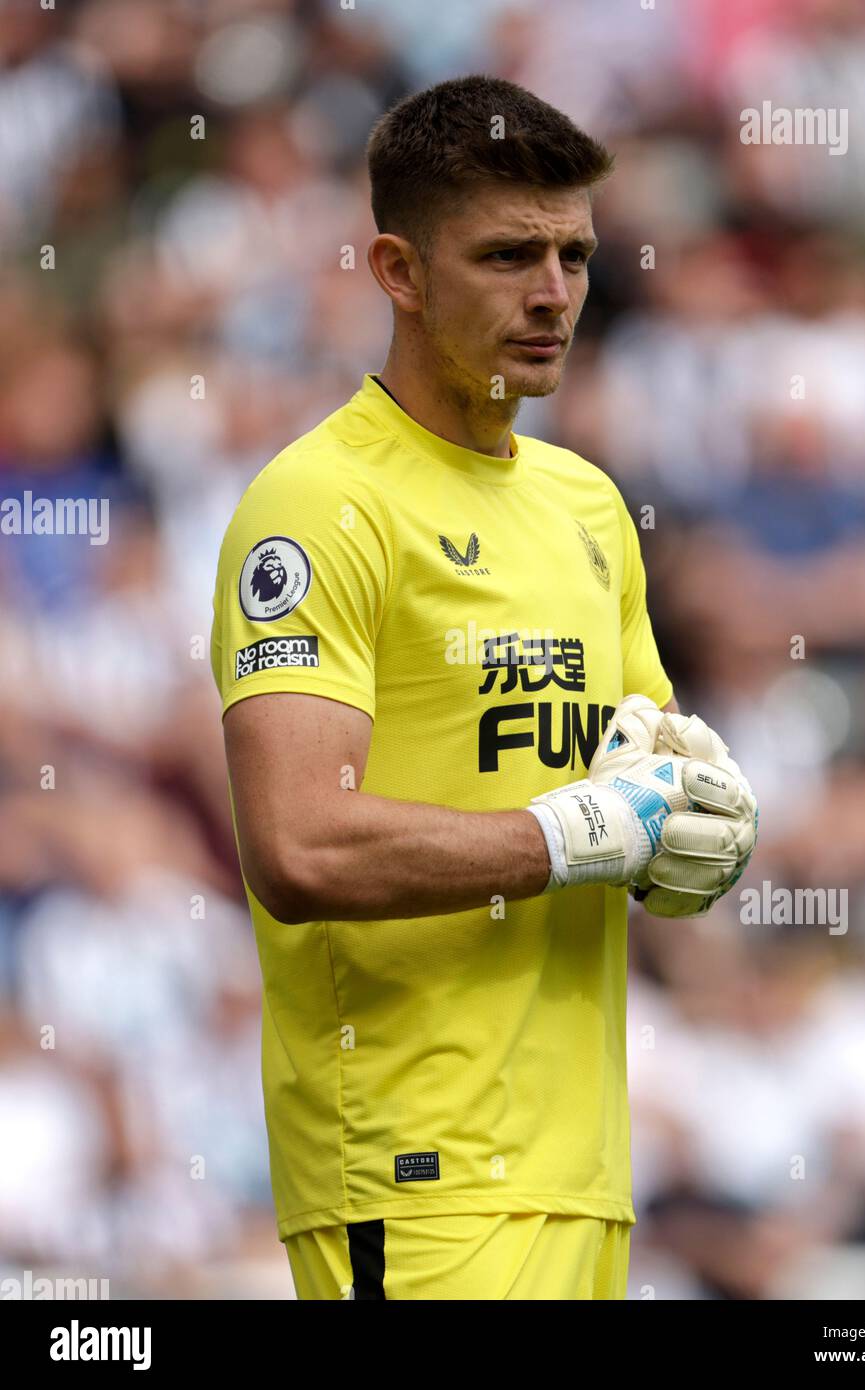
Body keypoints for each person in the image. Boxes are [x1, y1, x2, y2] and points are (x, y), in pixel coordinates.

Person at [210, 74, 757, 1301]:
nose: (554, 293)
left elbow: (645, 795)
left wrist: (698, 838)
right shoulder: (318, 505)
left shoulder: (589, 505)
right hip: (414, 1179)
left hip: (589, 1179)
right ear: (397, 270)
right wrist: (570, 834)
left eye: (574, 254)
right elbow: (296, 844)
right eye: (510, 254)